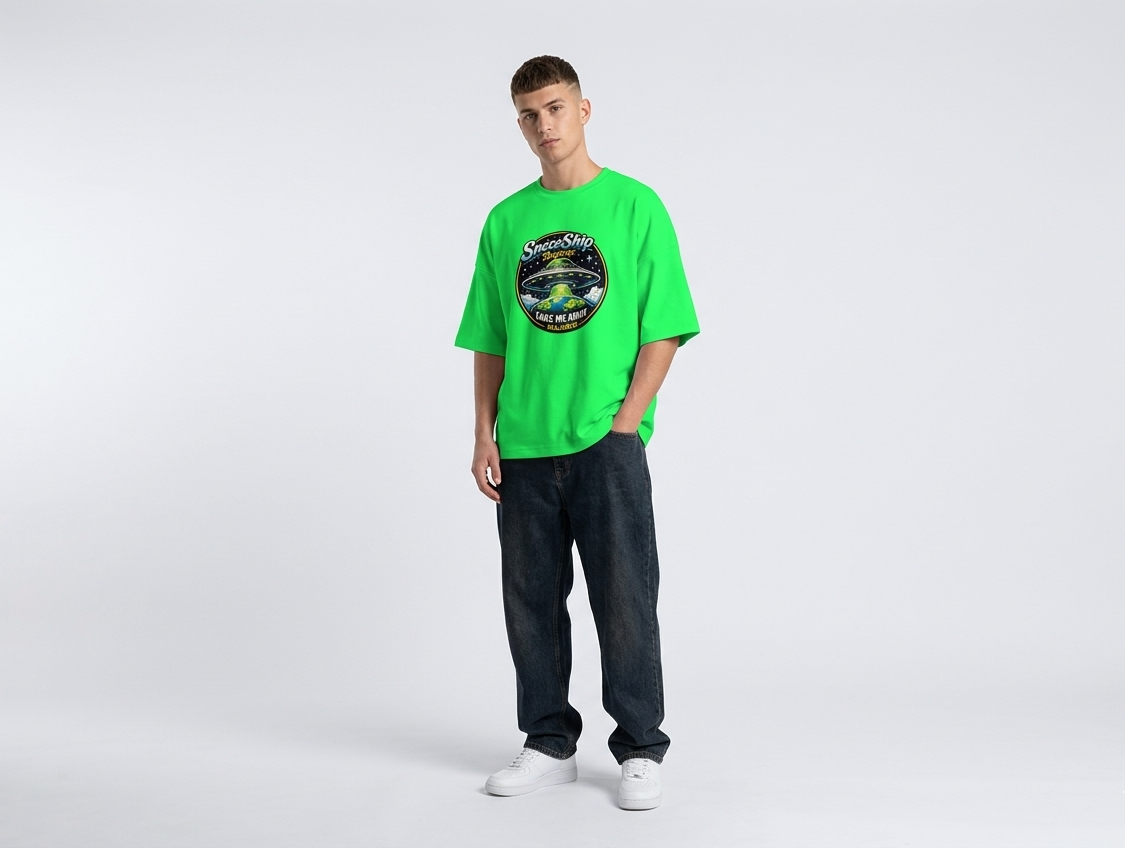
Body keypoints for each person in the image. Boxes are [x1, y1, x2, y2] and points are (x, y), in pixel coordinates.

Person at [454, 55, 699, 811]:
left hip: (604, 443)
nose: (544, 125)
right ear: (518, 124)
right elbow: (490, 338)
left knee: (625, 599)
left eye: (555, 107)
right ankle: (549, 743)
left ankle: (640, 748)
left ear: (584, 109)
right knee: (530, 603)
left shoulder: (634, 206)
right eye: (529, 115)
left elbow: (664, 326)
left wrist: (625, 424)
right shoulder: (505, 221)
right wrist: (484, 433)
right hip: (524, 446)